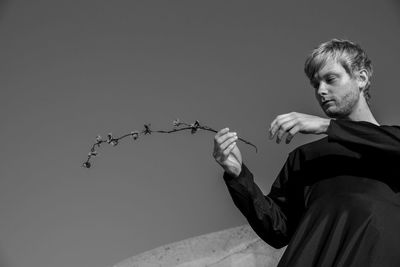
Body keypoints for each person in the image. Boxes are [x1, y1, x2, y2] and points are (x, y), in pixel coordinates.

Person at [213, 39, 400, 266]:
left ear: (361, 78)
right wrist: (238, 175)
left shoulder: (391, 144)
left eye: (330, 79)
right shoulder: (305, 156)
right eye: (315, 84)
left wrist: (326, 126)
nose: (321, 90)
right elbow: (277, 229)